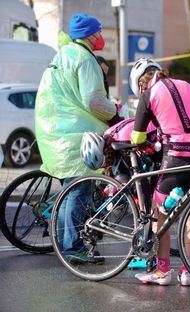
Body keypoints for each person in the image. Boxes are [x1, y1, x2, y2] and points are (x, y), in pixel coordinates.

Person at [35, 13, 119, 263]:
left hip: (54, 131)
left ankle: (62, 242)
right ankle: (73, 247)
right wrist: (116, 116)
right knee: (79, 191)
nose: (101, 36)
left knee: (68, 191)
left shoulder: (63, 54)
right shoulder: (84, 58)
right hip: (74, 134)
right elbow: (93, 100)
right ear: (90, 34)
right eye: (99, 32)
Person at [129, 59, 190, 286]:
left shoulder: (148, 95)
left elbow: (138, 137)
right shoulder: (189, 86)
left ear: (143, 81)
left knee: (158, 216)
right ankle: (187, 273)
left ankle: (162, 272)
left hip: (175, 159)